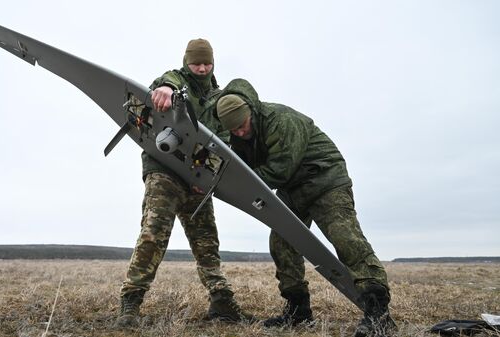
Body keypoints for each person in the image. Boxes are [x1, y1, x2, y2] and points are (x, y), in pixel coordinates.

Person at [215, 78, 396, 337]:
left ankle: (378, 313)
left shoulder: (281, 119)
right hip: (292, 188)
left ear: (251, 113)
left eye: (243, 126)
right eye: (234, 131)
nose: (240, 133)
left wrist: (238, 184)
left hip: (325, 180)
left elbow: (280, 169)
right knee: (281, 242)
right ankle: (298, 311)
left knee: (345, 239)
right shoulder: (237, 134)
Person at [115, 40, 254, 327]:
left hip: (198, 180)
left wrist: (210, 180)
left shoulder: (219, 99)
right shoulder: (177, 82)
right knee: (154, 234)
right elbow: (166, 84)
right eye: (196, 63)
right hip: (164, 172)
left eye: (207, 63)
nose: (202, 68)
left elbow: (223, 144)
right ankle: (130, 302)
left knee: (206, 241)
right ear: (186, 62)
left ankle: (222, 302)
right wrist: (164, 88)